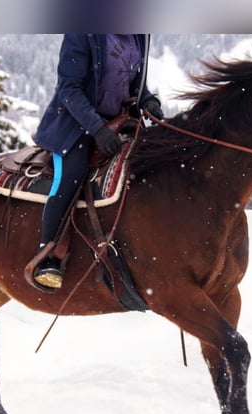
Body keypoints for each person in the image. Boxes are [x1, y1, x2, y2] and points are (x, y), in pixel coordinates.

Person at [31, 34, 163, 290]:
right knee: (70, 177)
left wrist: (148, 100)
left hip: (119, 123)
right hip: (74, 126)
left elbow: (135, 82)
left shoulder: (139, 36)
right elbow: (69, 89)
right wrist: (98, 129)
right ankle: (46, 256)